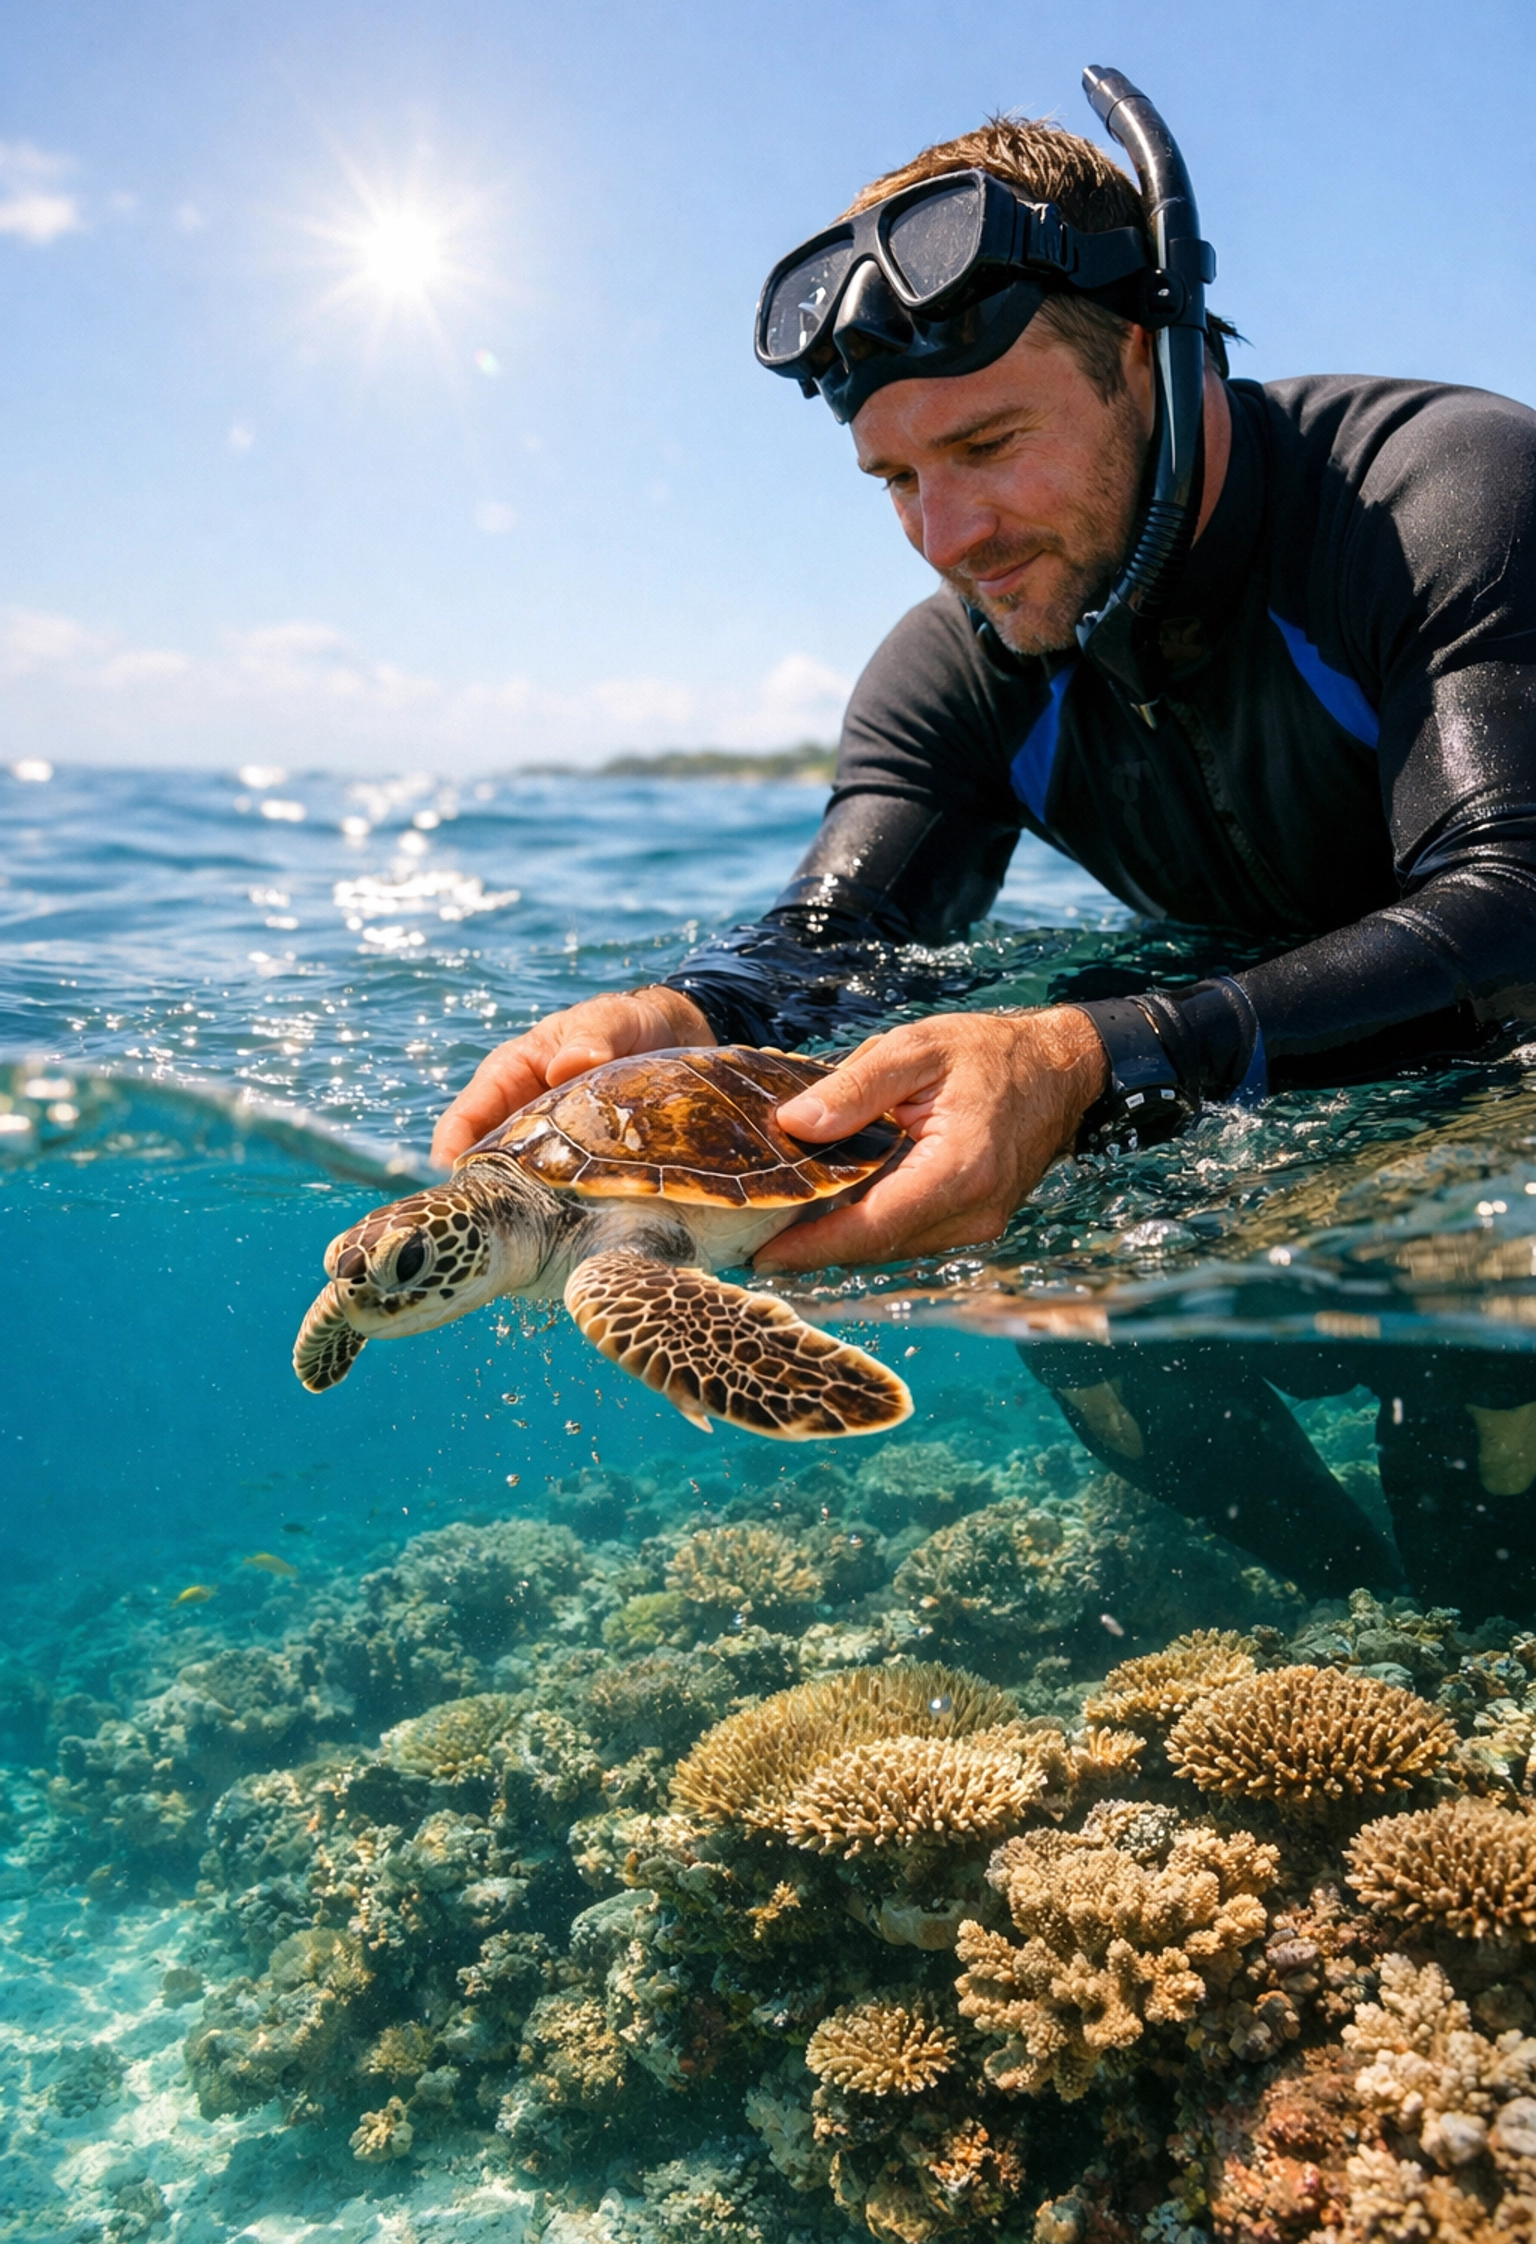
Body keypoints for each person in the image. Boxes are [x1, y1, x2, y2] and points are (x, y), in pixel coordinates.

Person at [434, 91, 1536, 1614]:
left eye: (991, 443)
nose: (945, 535)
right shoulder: (953, 663)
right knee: (1058, 1309)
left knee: (1489, 1518)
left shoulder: (1444, 495)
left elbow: (1515, 897)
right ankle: (1381, 1633)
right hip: (1255, 1034)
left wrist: (1091, 1054)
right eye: (895, 481)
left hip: (1507, 1075)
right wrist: (690, 1015)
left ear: (1150, 355)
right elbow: (838, 944)